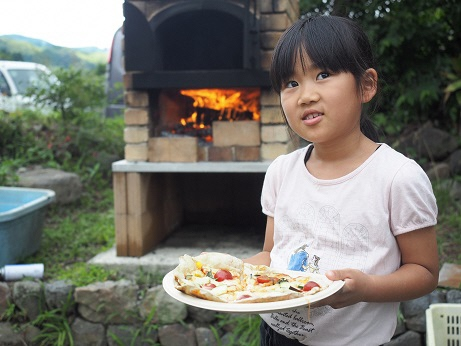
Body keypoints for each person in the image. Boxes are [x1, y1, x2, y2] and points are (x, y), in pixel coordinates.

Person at [244, 14, 439, 346]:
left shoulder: (397, 178)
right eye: (291, 83)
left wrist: (366, 288)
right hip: (275, 334)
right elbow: (270, 253)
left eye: (323, 74)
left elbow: (424, 272)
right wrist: (228, 274)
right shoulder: (281, 171)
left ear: (366, 85)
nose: (305, 95)